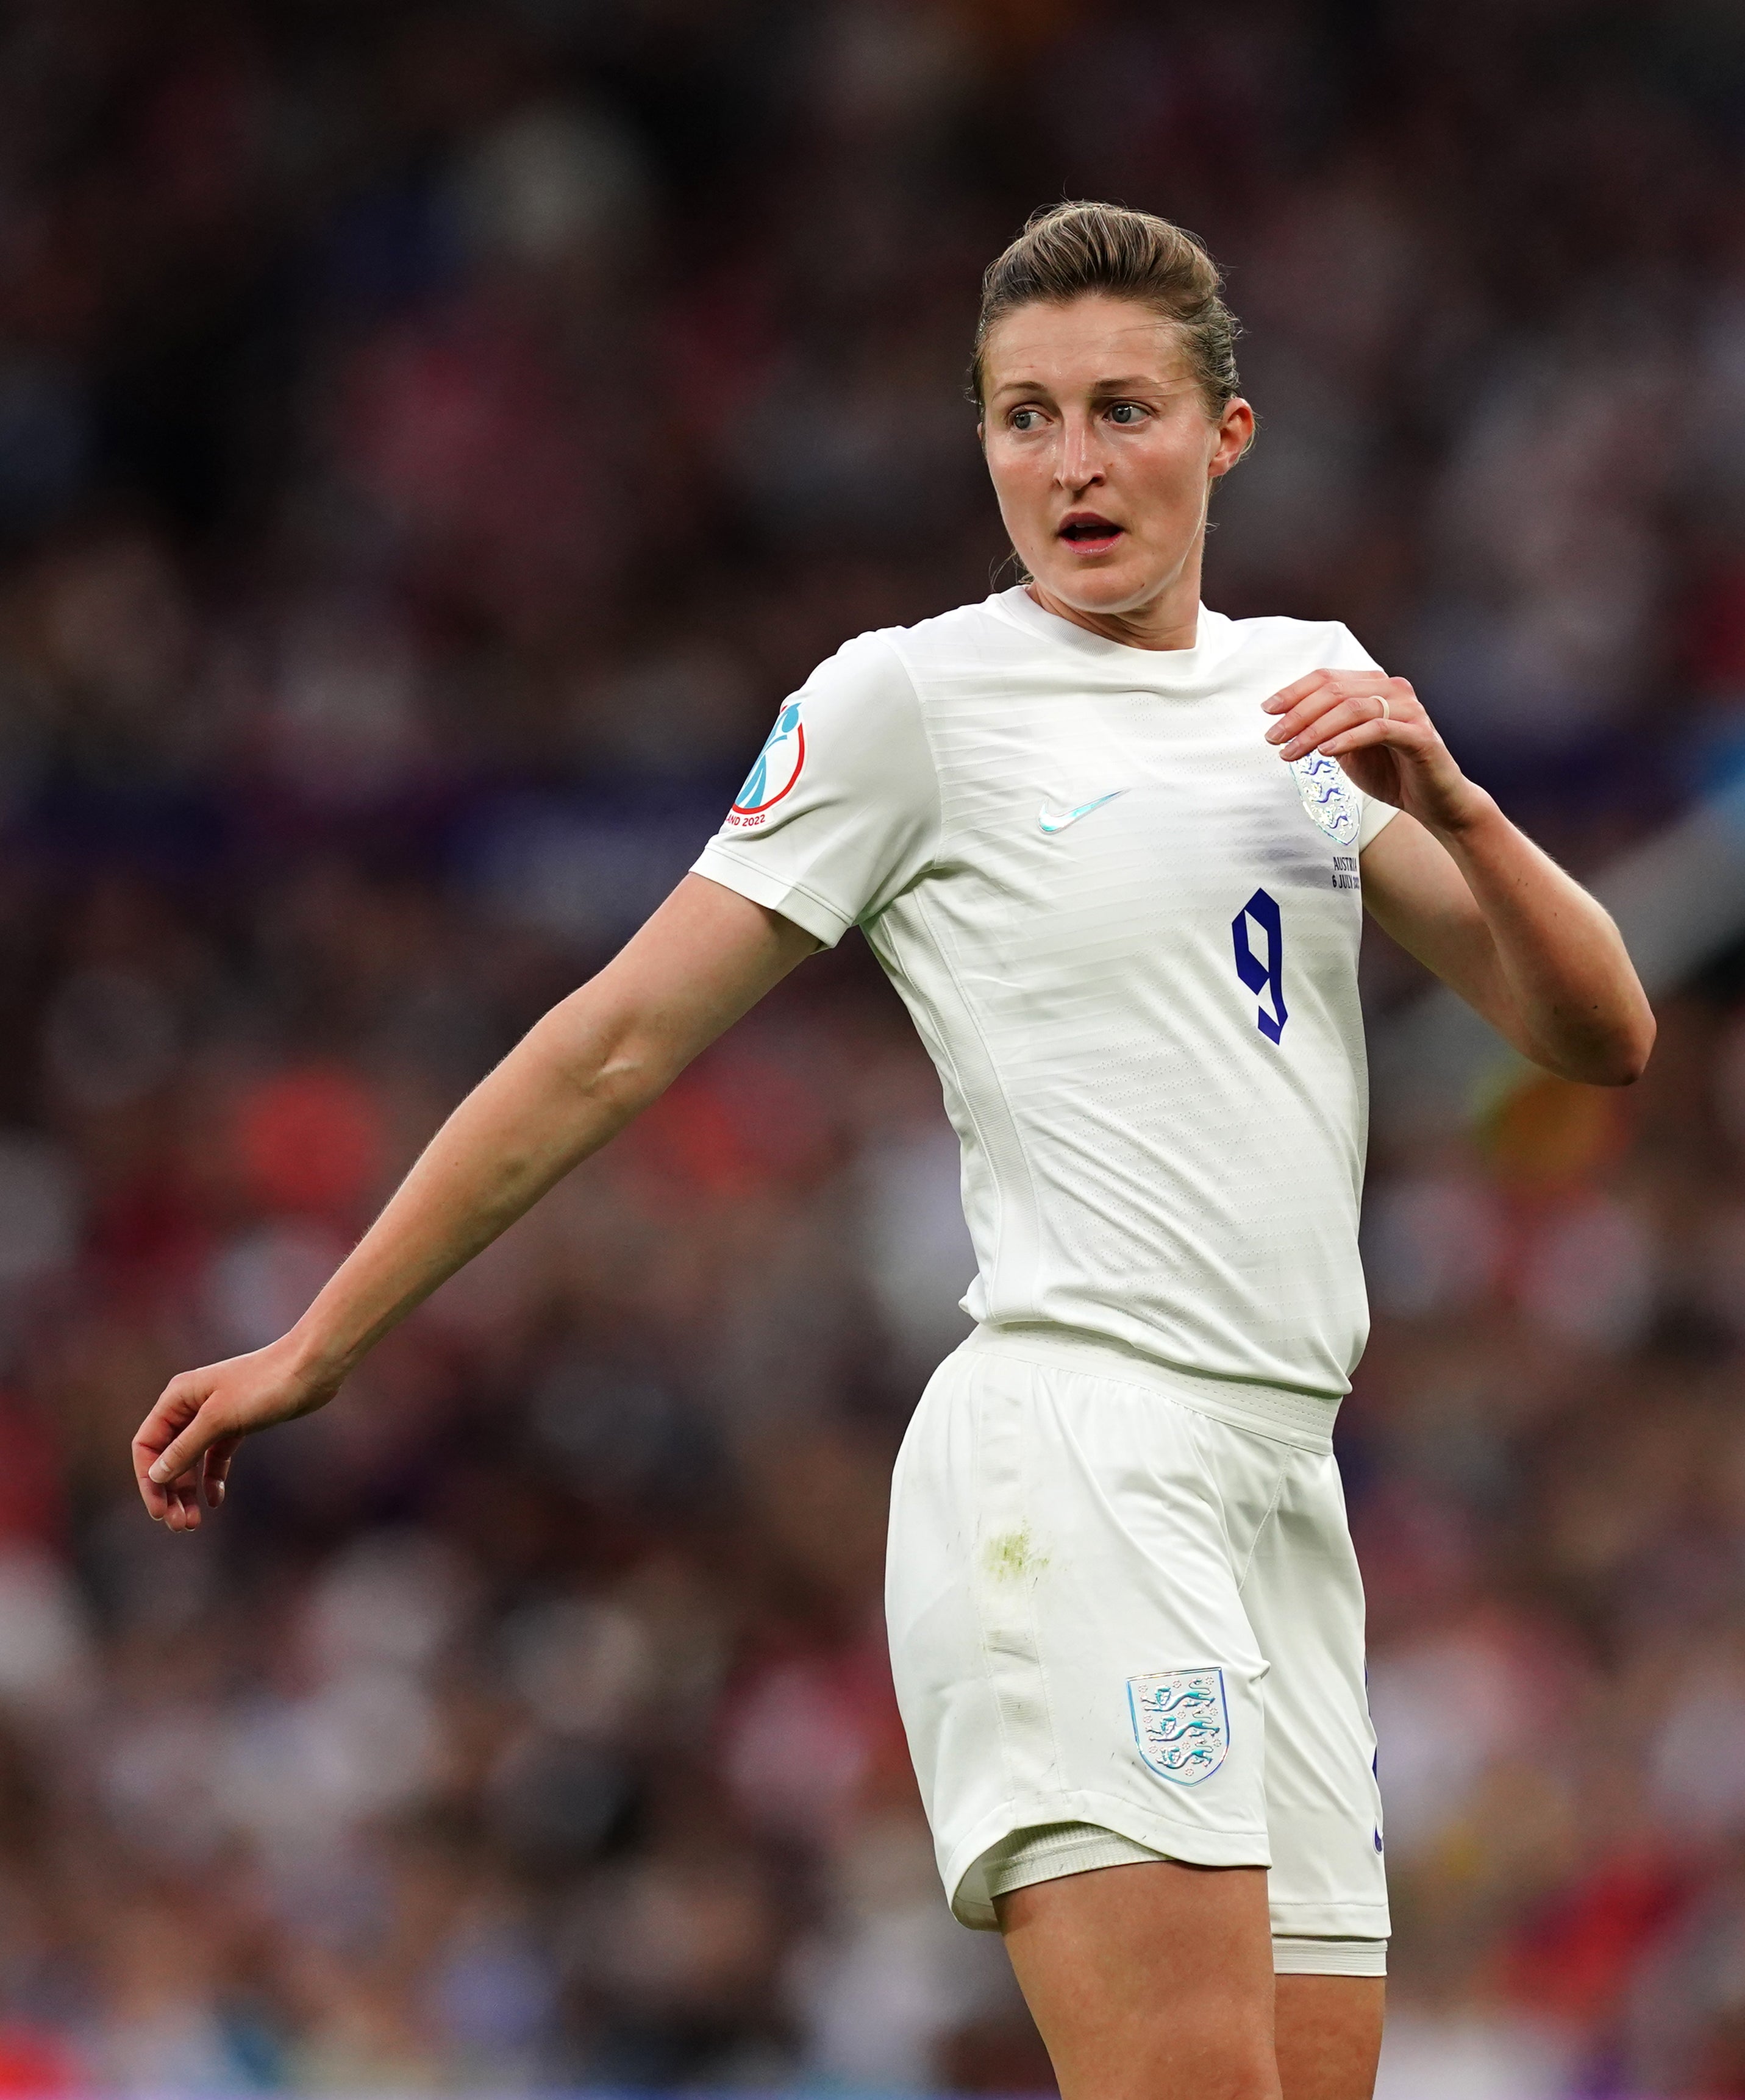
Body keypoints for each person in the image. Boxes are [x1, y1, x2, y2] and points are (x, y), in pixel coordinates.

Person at [132, 202, 1654, 2100]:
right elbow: (610, 1042)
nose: (1075, 464)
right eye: (1025, 418)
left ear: (1227, 434)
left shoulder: (1307, 694)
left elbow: (1598, 1032)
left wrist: (1463, 804)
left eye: (1123, 409)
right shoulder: (911, 701)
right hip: (1086, 1450)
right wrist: (321, 1341)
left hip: (1284, 1475)